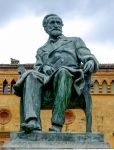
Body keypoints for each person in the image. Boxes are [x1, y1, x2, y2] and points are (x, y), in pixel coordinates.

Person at [14, 14, 99, 133]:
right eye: (52, 23)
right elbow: (37, 68)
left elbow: (89, 57)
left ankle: (56, 124)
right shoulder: (41, 49)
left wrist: (90, 61)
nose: (56, 25)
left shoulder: (74, 41)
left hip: (71, 80)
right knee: (31, 75)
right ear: (46, 28)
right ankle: (33, 122)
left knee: (63, 72)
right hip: (48, 81)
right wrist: (44, 67)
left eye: (58, 23)